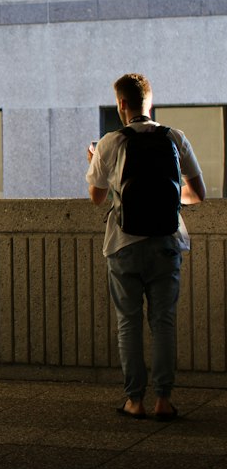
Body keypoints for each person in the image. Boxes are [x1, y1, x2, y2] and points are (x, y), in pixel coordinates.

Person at [86, 73, 205, 421]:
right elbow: (198, 194)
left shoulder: (111, 142)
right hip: (167, 243)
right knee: (163, 322)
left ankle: (134, 400)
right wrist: (168, 197)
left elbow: (97, 198)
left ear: (122, 104)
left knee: (129, 322)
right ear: (148, 102)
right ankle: (164, 400)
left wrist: (93, 159)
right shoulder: (175, 137)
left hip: (124, 245)